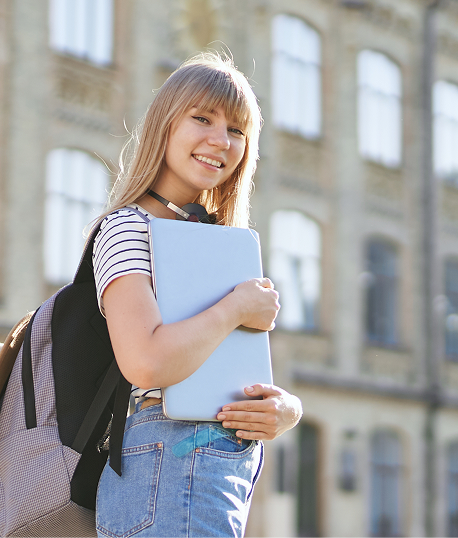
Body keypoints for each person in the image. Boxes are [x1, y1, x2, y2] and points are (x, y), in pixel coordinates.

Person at [90, 52, 303, 538]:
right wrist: (234, 310)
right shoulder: (129, 227)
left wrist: (284, 410)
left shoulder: (216, 241)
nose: (220, 140)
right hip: (167, 461)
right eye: (202, 118)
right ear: (165, 124)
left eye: (236, 130)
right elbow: (145, 363)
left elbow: (228, 373)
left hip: (207, 466)